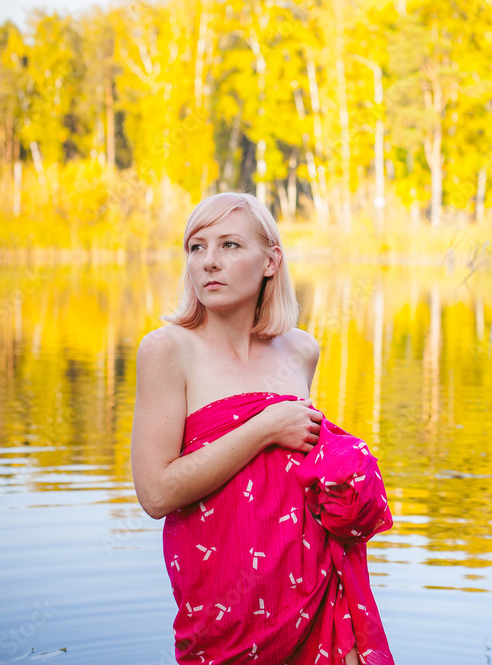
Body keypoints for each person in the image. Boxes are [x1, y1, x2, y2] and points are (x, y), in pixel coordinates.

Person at [130, 192, 394, 665]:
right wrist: (266, 427)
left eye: (229, 245)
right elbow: (156, 493)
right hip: (224, 604)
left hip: (313, 592)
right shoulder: (168, 351)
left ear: (271, 260)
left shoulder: (300, 350)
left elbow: (296, 473)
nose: (209, 262)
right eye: (197, 247)